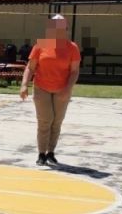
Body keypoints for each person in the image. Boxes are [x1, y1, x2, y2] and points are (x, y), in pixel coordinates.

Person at [19, 15, 81, 166]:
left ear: (65, 29)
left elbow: (74, 71)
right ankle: (41, 154)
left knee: (57, 122)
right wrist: (24, 84)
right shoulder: (41, 45)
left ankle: (51, 153)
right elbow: (30, 67)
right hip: (42, 88)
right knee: (45, 120)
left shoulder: (72, 48)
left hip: (62, 89)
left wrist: (68, 88)